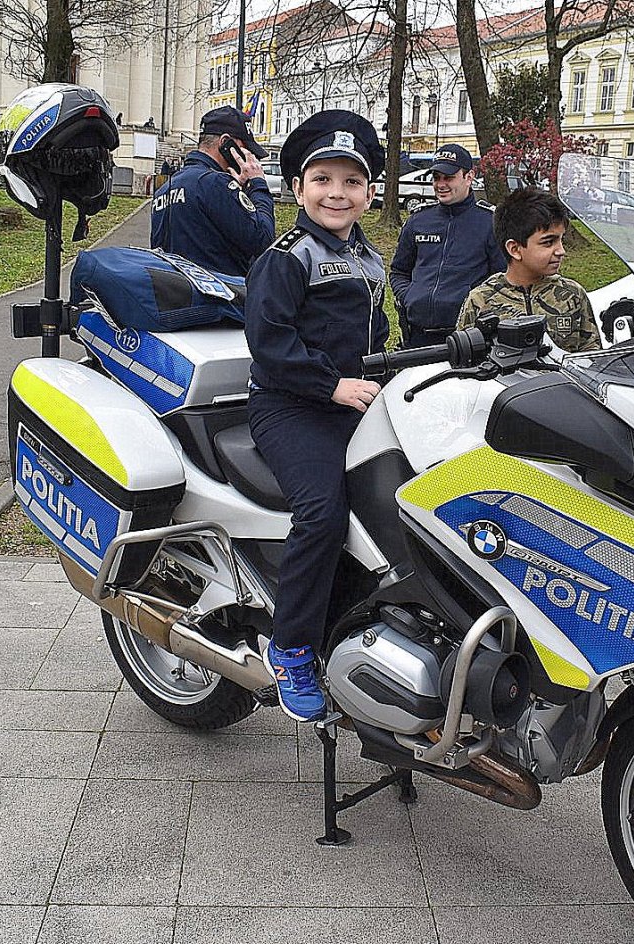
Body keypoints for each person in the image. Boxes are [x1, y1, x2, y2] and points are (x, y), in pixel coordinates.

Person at [243, 110, 387, 721]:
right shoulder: (287, 256)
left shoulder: (370, 260)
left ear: (370, 193)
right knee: (323, 515)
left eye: (351, 182)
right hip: (290, 408)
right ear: (298, 189)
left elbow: (380, 335)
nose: (337, 192)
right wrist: (332, 387)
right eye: (323, 179)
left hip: (351, 400)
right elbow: (270, 343)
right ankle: (293, 646)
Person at [389, 144, 506, 347]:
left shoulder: (490, 222)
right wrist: (410, 296)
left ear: (469, 177)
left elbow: (502, 278)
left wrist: (475, 306)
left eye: (448, 177)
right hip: (417, 336)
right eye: (436, 177)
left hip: (467, 338)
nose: (441, 184)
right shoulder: (418, 220)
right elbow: (398, 271)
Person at [458, 187, 601, 353]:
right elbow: (465, 363)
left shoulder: (573, 295)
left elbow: (591, 355)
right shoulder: (480, 300)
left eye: (561, 240)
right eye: (548, 242)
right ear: (515, 249)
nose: (561, 251)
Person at [150, 105, 276, 277]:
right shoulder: (215, 183)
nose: (249, 156)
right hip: (218, 297)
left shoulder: (165, 188)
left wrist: (236, 193)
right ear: (226, 143)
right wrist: (258, 183)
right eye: (244, 148)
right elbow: (263, 239)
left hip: (175, 295)